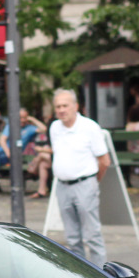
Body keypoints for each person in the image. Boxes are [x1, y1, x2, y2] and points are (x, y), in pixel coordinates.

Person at [49, 88, 111, 265]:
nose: (61, 110)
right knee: (72, 237)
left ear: (75, 106)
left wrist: (93, 181)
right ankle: (81, 277)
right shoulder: (55, 127)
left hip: (84, 183)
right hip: (62, 185)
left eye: (65, 106)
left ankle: (102, 277)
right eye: (58, 106)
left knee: (92, 235)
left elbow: (104, 161)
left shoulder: (89, 127)